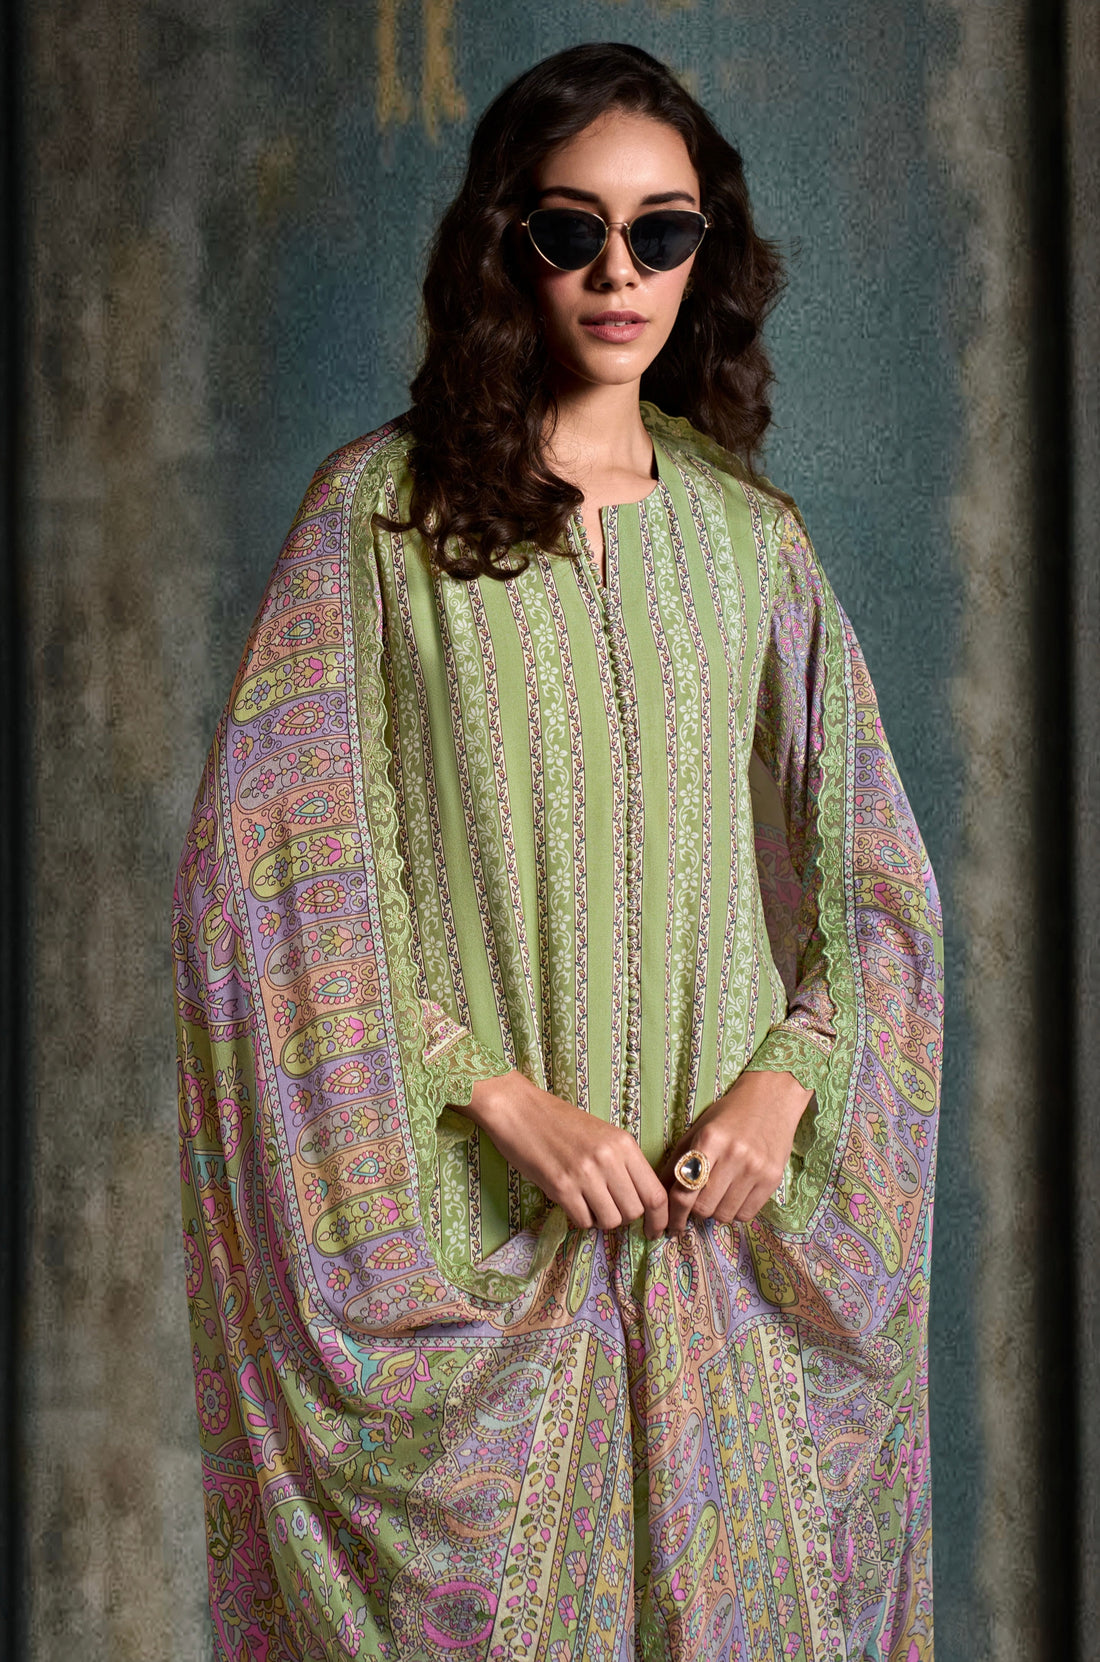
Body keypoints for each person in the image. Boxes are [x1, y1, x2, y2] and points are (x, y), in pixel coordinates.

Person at [173, 41, 943, 1662]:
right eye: (571, 229)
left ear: (705, 255)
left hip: (720, 1273)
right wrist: (497, 1094)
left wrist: (789, 1075)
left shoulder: (754, 545)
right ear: (502, 245)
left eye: (662, 233)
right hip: (486, 1279)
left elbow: (875, 889)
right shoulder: (377, 523)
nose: (618, 273)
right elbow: (271, 897)